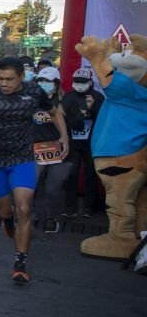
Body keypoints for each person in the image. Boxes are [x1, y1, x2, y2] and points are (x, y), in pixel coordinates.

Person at [0, 56, 68, 283]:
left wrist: (64, 137)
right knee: (5, 212)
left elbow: (54, 112)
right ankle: (6, 221)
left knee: (24, 208)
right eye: (0, 78)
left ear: (22, 77)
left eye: (9, 79)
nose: (4, 83)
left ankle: (20, 262)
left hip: (23, 158)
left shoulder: (34, 92)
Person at [31, 67, 74, 235]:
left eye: (47, 81)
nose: (43, 84)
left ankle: (52, 218)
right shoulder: (31, 100)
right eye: (40, 80)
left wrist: (66, 117)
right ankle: (29, 215)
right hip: (35, 149)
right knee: (30, 184)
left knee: (53, 188)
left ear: (56, 84)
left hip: (59, 151)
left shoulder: (65, 101)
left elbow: (78, 124)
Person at [61, 67, 103, 218]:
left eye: (82, 82)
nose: (79, 84)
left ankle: (88, 208)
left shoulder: (98, 97)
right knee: (71, 174)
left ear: (90, 82)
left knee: (90, 175)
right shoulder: (68, 97)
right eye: (77, 81)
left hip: (91, 143)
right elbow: (64, 118)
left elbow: (102, 119)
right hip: (73, 143)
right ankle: (69, 208)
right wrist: (82, 114)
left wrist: (90, 110)